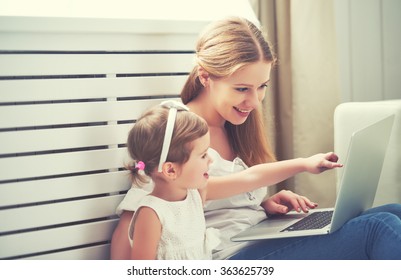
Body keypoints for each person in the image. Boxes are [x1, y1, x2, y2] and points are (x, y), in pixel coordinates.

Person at [112, 17, 401, 260]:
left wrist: (259, 205)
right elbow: (136, 221)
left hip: (255, 236)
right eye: (241, 89)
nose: (254, 101)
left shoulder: (234, 126)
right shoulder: (176, 130)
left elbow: (218, 198)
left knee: (394, 211)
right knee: (379, 227)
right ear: (205, 76)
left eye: (261, 87)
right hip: (229, 256)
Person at [124, 100, 341, 260]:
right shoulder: (150, 214)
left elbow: (252, 176)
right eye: (202, 155)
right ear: (170, 170)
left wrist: (304, 164)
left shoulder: (197, 194)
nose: (211, 159)